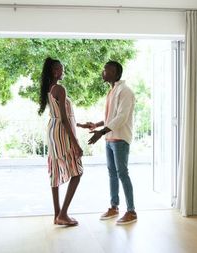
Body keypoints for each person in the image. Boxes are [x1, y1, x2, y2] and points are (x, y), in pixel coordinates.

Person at [77, 61, 137, 225]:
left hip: (120, 139)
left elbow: (121, 117)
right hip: (110, 138)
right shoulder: (113, 91)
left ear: (116, 73)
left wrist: (100, 133)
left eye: (106, 70)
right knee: (112, 174)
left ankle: (131, 211)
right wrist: (96, 125)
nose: (103, 72)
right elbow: (112, 117)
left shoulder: (125, 91)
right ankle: (114, 206)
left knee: (122, 174)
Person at [38, 57, 83, 226]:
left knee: (55, 172)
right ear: (54, 71)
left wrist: (78, 124)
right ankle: (63, 214)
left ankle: (57, 214)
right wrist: (77, 144)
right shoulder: (60, 89)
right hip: (61, 132)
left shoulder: (49, 89)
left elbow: (62, 117)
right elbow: (64, 118)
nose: (62, 71)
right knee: (77, 173)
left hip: (52, 131)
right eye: (60, 69)